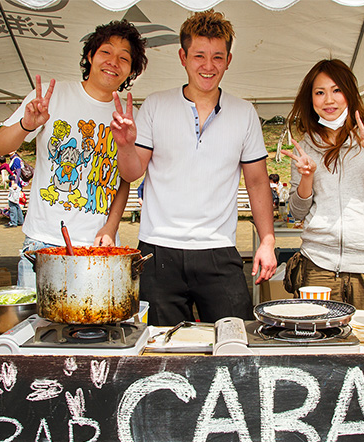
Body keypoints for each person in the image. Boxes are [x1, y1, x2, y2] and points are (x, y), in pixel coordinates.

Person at [111, 9, 277, 326]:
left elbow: (257, 183)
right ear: (183, 56)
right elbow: (132, 173)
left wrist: (267, 240)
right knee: (160, 349)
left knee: (234, 340)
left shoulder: (244, 113)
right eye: (199, 55)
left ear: (228, 60)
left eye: (218, 56)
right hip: (158, 250)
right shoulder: (156, 105)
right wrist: (125, 144)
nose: (208, 66)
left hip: (219, 250)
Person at [0, 19, 148, 287]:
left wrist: (111, 228)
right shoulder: (53, 97)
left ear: (131, 70)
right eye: (106, 52)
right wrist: (26, 125)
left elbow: (125, 179)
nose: (113, 62)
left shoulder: (129, 117)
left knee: (99, 328)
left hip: (100, 246)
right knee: (39, 328)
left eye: (124, 58)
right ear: (90, 55)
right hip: (42, 242)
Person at [281, 59, 364, 312]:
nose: (328, 100)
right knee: (318, 344)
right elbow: (297, 212)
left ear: (349, 93)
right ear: (310, 99)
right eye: (320, 92)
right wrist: (307, 176)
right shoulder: (305, 145)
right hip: (317, 264)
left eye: (336, 90)